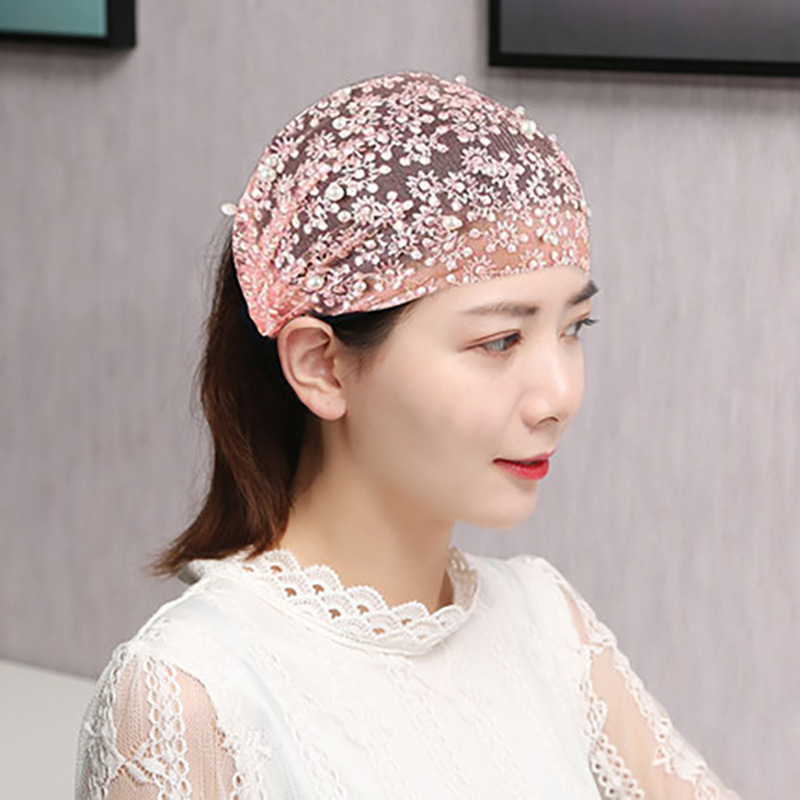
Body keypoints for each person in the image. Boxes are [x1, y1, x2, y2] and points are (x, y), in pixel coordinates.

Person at [75, 71, 739, 799]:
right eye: (499, 341)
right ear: (321, 365)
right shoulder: (190, 692)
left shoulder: (548, 623)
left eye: (574, 328)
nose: (561, 397)